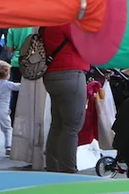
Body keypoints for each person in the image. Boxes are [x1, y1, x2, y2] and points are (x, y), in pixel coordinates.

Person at [41, 24, 89, 173]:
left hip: (51, 75)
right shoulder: (68, 23)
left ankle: (53, 167)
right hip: (71, 74)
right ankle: (68, 170)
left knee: (57, 124)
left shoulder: (47, 24)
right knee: (72, 126)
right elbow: (85, 46)